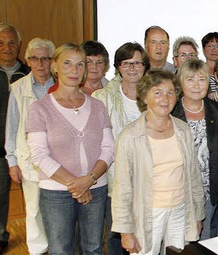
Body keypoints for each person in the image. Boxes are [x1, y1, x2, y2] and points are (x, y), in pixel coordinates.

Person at [27, 43, 114, 255]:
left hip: (96, 188)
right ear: (55, 66)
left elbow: (109, 148)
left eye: (79, 64)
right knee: (60, 250)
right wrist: (75, 185)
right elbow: (38, 154)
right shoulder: (40, 108)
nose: (74, 70)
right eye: (67, 63)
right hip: (56, 192)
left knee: (94, 248)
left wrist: (89, 180)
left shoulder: (98, 106)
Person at [112, 70, 205, 255]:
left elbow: (193, 175)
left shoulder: (182, 129)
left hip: (180, 209)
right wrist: (126, 231)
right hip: (147, 212)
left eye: (170, 92)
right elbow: (122, 188)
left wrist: (198, 214)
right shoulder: (130, 136)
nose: (165, 98)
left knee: (178, 253)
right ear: (145, 97)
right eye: (157, 92)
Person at [91, 42, 150, 255]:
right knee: (115, 235)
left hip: (148, 179)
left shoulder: (156, 96)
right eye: (126, 63)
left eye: (137, 63)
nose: (132, 68)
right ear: (117, 66)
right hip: (115, 179)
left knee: (145, 234)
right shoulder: (102, 98)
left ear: (145, 66)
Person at [4, 37, 55, 255]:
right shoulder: (17, 88)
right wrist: (12, 161)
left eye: (45, 58)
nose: (40, 63)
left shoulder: (63, 85)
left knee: (56, 210)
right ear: (28, 61)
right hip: (30, 159)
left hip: (59, 159)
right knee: (34, 210)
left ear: (53, 61)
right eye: (35, 58)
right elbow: (12, 126)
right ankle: (37, 251)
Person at [170, 59, 218, 239]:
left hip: (208, 191)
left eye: (202, 79)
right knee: (177, 244)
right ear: (180, 82)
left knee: (204, 241)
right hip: (177, 192)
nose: (196, 85)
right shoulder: (170, 111)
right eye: (190, 79)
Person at [0, 22, 30, 255]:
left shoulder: (28, 73)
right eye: (1, 43)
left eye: (11, 43)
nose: (7, 48)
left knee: (35, 198)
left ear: (19, 46)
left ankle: (39, 239)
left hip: (27, 149)